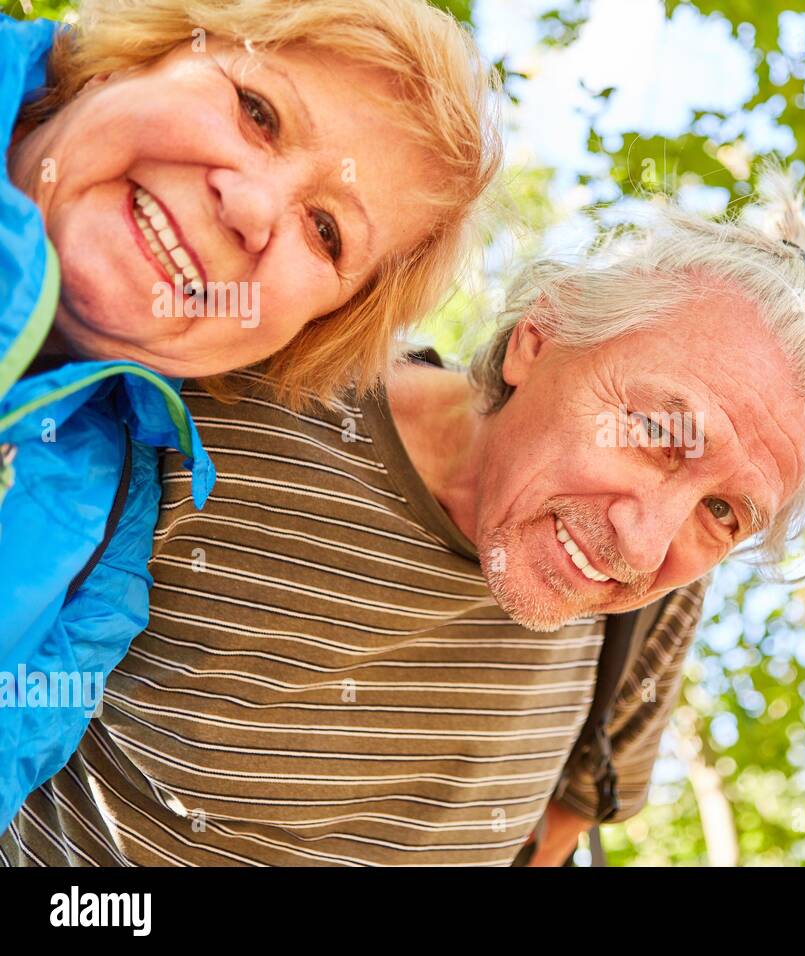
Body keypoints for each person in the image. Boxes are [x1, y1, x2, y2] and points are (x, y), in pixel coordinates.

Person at [0, 173, 805, 866]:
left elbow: (559, 826)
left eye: (724, 511)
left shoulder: (655, 612)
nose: (643, 546)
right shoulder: (235, 398)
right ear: (540, 336)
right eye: (655, 432)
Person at [0, 0, 501, 830]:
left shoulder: (106, 558)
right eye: (258, 111)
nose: (252, 208)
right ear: (136, 53)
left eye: (327, 233)